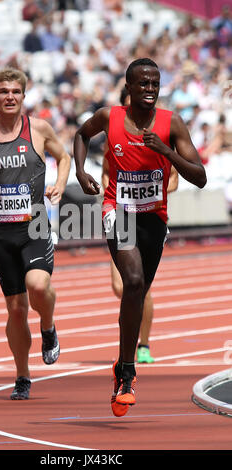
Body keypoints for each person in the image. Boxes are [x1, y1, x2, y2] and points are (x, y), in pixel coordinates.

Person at [74, 58, 206, 417]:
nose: (149, 89)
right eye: (142, 84)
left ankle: (121, 364)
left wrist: (166, 151)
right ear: (128, 88)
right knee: (131, 282)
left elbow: (200, 177)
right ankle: (128, 374)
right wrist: (81, 171)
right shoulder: (109, 117)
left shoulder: (171, 123)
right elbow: (81, 135)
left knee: (139, 290)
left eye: (155, 83)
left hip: (154, 220)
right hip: (117, 211)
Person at [0, 67, 71, 400]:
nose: (9, 97)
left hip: (34, 225)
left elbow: (63, 157)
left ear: (24, 95)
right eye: (3, 92)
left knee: (38, 285)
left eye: (15, 92)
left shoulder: (38, 129)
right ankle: (23, 376)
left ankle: (48, 326)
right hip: (1, 232)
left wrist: (60, 185)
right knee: (17, 309)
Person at [101, 87, 179, 365]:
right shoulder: (114, 133)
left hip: (150, 217)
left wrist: (152, 190)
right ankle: (129, 340)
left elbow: (173, 180)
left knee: (139, 286)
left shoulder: (160, 133)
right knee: (120, 285)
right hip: (120, 216)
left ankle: (142, 345)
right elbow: (106, 174)